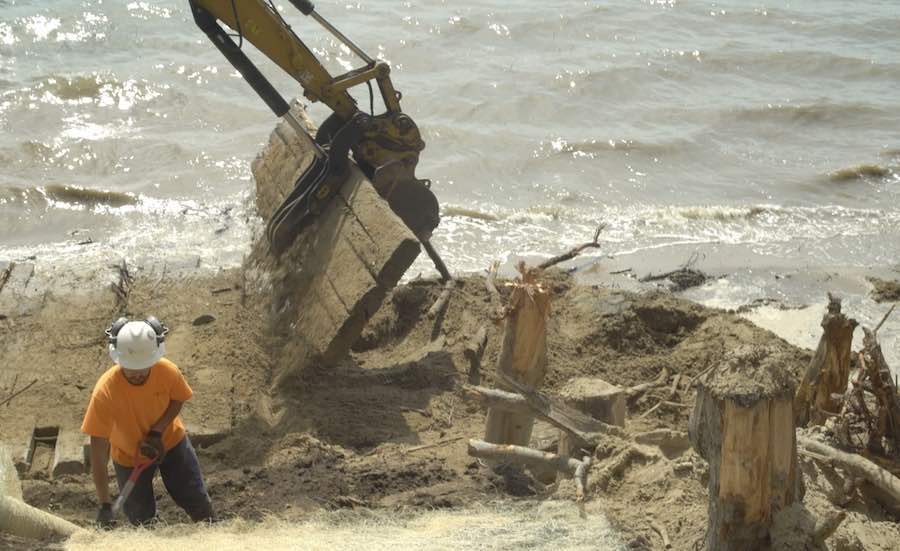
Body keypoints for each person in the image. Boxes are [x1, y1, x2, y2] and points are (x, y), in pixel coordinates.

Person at [80, 316, 214, 527]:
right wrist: (105, 503)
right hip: (127, 456)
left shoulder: (167, 371)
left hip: (171, 442)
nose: (137, 374)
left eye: (144, 368)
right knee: (140, 519)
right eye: (130, 368)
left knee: (195, 497)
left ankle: (212, 531)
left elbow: (178, 398)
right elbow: (97, 452)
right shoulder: (105, 392)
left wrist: (157, 431)